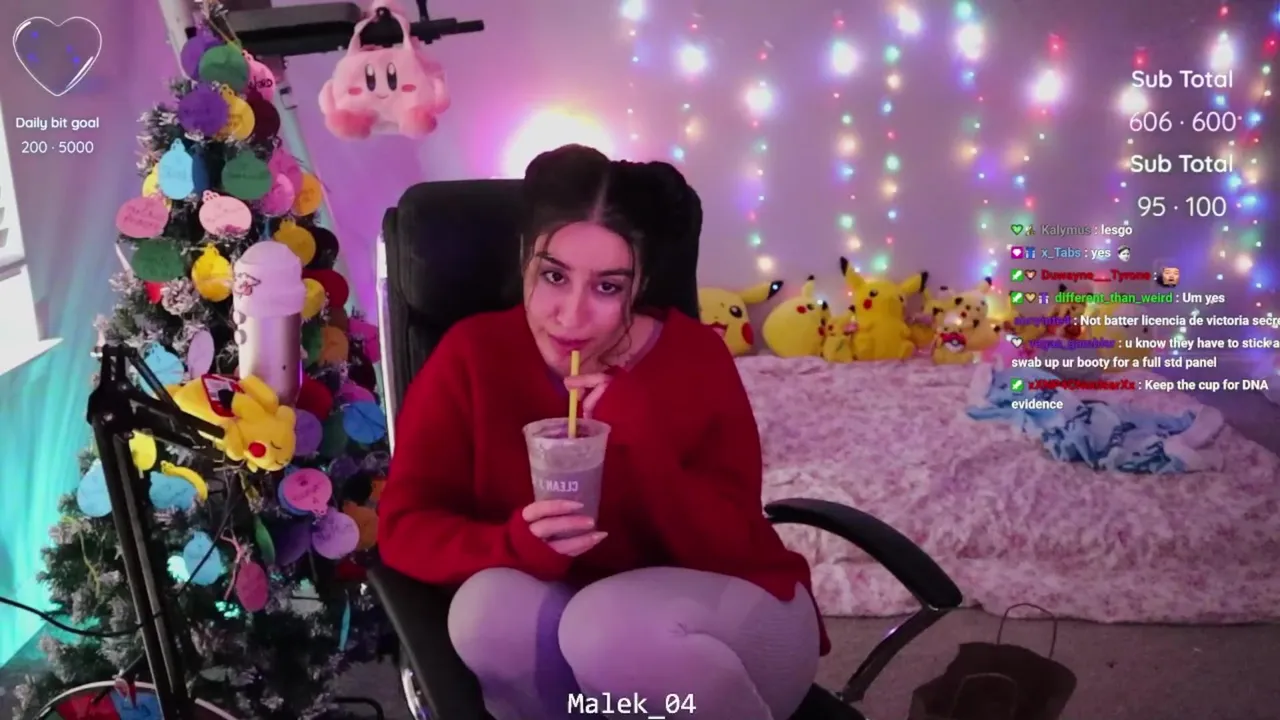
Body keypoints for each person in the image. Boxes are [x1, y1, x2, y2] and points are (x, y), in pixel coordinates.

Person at [378, 144, 827, 720]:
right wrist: (513, 545)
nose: (571, 315)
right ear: (524, 257)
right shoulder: (471, 355)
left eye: (608, 287)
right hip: (580, 642)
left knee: (604, 629)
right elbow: (405, 528)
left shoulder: (695, 357)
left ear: (641, 283)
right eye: (554, 276)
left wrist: (641, 437)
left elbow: (733, 545)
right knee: (487, 611)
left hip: (733, 617)